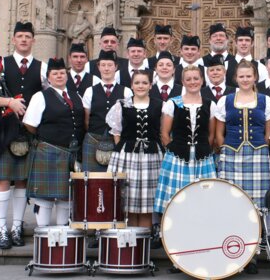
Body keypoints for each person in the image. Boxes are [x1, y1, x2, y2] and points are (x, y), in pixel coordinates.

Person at [0, 21, 46, 249]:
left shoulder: (42, 67)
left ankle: (17, 227)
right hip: (3, 129)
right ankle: (1, 229)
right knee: (2, 182)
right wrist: (9, 102)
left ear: (33, 40)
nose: (23, 40)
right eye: (20, 36)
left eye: (27, 37)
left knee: (22, 182)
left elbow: (49, 99)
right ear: (14, 39)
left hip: (26, 132)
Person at [215, 60, 270, 275]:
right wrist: (225, 148)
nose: (245, 79)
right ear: (235, 79)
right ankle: (234, 252)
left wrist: (263, 146)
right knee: (233, 205)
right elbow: (219, 132)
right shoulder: (226, 100)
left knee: (257, 208)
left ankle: (253, 255)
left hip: (257, 155)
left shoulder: (265, 100)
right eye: (241, 76)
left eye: (249, 76)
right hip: (231, 155)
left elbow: (269, 131)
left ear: (255, 77)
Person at [23, 58, 85, 227]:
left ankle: (62, 231)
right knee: (45, 196)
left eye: (62, 73)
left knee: (66, 195)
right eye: (55, 73)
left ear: (67, 76)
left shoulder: (76, 96)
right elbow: (30, 124)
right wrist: (47, 139)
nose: (59, 76)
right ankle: (43, 232)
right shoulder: (40, 96)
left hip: (71, 153)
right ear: (48, 77)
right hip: (49, 151)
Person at [153, 65, 217, 229]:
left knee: (202, 200)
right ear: (182, 82)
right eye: (188, 79)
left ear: (202, 80)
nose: (192, 82)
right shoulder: (173, 103)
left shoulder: (210, 104)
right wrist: (175, 151)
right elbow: (165, 134)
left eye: (196, 78)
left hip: (202, 159)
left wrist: (202, 150)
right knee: (175, 199)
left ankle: (198, 232)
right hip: (177, 158)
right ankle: (173, 234)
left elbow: (211, 135)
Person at [105, 70, 163, 227]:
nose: (141, 86)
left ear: (151, 85)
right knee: (128, 202)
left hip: (151, 156)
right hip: (127, 155)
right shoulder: (122, 104)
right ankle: (131, 246)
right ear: (131, 85)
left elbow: (163, 130)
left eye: (145, 83)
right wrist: (121, 148)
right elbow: (116, 131)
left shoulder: (159, 105)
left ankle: (144, 244)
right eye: (137, 83)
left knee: (146, 205)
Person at [81, 50, 133, 172]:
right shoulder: (90, 91)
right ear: (98, 67)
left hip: (117, 140)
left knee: (116, 180)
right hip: (93, 139)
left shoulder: (126, 91)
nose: (106, 68)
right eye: (103, 65)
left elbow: (128, 118)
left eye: (110, 65)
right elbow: (86, 119)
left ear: (116, 67)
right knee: (92, 180)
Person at [202, 23, 238, 87]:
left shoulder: (236, 61)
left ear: (227, 39)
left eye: (221, 35)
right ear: (209, 40)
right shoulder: (201, 62)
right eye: (215, 36)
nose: (218, 38)